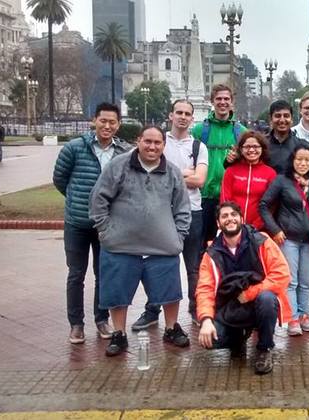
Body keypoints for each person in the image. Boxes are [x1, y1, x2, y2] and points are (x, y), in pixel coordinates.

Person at [89, 126, 192, 356]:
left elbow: (183, 209)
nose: (152, 147)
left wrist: (178, 237)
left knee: (170, 292)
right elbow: (98, 199)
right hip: (120, 245)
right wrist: (105, 231)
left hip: (163, 246)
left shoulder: (173, 172)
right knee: (117, 293)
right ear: (139, 141)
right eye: (148, 141)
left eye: (157, 143)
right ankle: (119, 334)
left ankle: (171, 328)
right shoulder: (118, 166)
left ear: (163, 145)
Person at [52, 102, 130, 345]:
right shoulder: (75, 148)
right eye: (103, 121)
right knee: (76, 274)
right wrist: (77, 200)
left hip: (106, 225)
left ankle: (101, 319)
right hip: (77, 222)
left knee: (104, 273)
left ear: (118, 125)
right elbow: (60, 179)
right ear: (94, 121)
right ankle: (76, 324)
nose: (107, 126)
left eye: (112, 122)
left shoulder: (124, 152)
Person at [131, 100, 208, 331]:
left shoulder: (198, 147)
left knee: (193, 266)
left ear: (192, 118)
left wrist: (170, 175)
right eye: (179, 112)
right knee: (157, 264)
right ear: (171, 115)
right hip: (160, 212)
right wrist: (184, 173)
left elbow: (199, 180)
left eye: (187, 114)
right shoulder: (158, 141)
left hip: (192, 211)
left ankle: (196, 309)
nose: (183, 117)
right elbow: (149, 173)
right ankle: (152, 309)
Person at [196, 202, 292, 375]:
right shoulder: (211, 253)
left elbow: (282, 274)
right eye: (224, 216)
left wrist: (249, 294)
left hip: (258, 303)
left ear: (241, 218)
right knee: (210, 339)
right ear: (218, 223)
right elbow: (205, 289)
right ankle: (237, 339)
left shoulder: (261, 241)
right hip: (231, 308)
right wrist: (206, 320)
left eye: (234, 215)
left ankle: (264, 349)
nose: (230, 219)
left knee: (267, 299)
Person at [259, 145, 309, 336]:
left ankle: (304, 314)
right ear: (292, 160)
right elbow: (264, 205)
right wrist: (275, 229)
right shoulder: (282, 180)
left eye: (307, 160)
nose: (303, 163)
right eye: (299, 159)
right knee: (291, 281)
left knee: (306, 281)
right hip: (288, 239)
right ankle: (293, 318)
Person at [191, 84, 247, 245]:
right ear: (212, 101)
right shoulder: (199, 130)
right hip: (204, 196)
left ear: (232, 102)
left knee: (230, 244)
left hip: (230, 198)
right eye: (219, 99)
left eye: (226, 99)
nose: (223, 102)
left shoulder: (241, 132)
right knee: (201, 244)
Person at [220, 131, 277, 231]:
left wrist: (255, 226)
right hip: (233, 226)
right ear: (241, 149)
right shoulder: (231, 171)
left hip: (259, 229)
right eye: (247, 147)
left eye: (256, 146)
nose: (251, 150)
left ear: (262, 148)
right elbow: (225, 200)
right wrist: (233, 222)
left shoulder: (270, 173)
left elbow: (271, 204)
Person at [262, 100, 309, 174]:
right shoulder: (261, 145)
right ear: (270, 119)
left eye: (286, 116)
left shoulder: (302, 146)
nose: (282, 120)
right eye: (278, 116)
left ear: (291, 119)